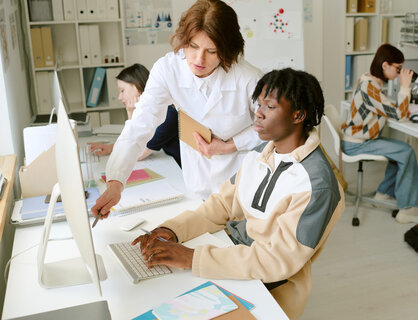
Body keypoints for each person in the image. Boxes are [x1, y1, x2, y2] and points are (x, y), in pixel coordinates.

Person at [133, 68, 345, 319]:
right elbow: (222, 206)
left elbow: (277, 261)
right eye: (259, 104)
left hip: (271, 285)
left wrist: (192, 258)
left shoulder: (316, 184)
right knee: (148, 298)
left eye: (270, 106)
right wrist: (173, 230)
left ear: (298, 115)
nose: (259, 113)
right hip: (234, 255)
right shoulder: (260, 153)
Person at [91, 0, 262, 220]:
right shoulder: (168, 69)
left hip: (240, 185)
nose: (199, 59)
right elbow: (141, 124)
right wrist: (116, 182)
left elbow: (273, 127)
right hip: (197, 184)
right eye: (193, 46)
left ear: (226, 50)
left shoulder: (248, 78)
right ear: (184, 40)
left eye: (211, 51)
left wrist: (230, 145)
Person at [341, 43, 418, 224]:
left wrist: (395, 106)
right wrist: (405, 87)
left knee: (399, 150)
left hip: (357, 139)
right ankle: (408, 209)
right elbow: (400, 115)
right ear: (385, 65)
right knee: (406, 151)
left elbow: (385, 108)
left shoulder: (367, 79)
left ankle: (384, 194)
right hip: (358, 143)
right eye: (398, 68)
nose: (399, 73)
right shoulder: (369, 87)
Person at [89, 64, 182, 167]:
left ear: (137, 87)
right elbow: (135, 140)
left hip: (183, 173)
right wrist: (110, 147)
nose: (120, 97)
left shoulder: (167, 113)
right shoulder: (149, 110)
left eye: (122, 90)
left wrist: (131, 113)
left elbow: (137, 154)